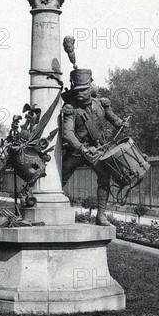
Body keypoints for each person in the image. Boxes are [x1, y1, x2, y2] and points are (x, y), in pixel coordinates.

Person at [61, 69, 128, 225]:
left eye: (84, 90)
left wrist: (122, 124)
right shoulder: (71, 109)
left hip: (97, 150)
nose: (80, 94)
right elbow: (68, 134)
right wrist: (82, 148)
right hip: (77, 152)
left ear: (91, 86)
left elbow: (115, 120)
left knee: (105, 177)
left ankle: (101, 215)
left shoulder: (102, 105)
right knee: (60, 178)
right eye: (77, 90)